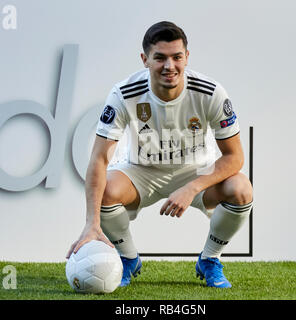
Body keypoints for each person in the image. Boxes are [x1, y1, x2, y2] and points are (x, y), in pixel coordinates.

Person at [66, 21, 253, 288]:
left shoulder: (210, 92)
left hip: (196, 171)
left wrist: (191, 188)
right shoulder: (123, 94)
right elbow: (98, 159)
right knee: (106, 189)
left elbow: (234, 157)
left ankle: (210, 259)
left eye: (177, 57)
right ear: (145, 59)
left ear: (187, 57)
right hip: (142, 172)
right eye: (160, 58)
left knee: (241, 189)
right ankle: (128, 258)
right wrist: (91, 223)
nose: (170, 66)